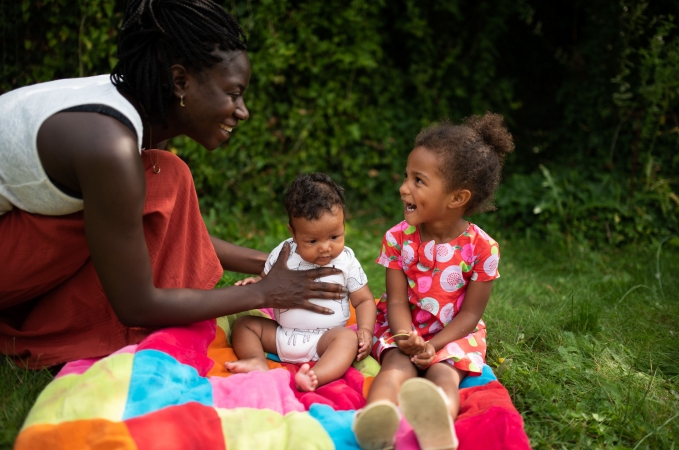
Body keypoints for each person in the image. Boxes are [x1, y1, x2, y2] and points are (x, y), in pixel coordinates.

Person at [0, 0, 347, 369]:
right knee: (167, 175)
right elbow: (136, 304)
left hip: (18, 239)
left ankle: (39, 319)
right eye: (233, 93)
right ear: (181, 82)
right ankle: (45, 334)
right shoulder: (109, 147)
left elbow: (157, 227)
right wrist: (264, 293)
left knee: (164, 175)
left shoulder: (139, 109)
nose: (242, 110)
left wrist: (280, 263)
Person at [352, 113, 514, 450]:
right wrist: (405, 337)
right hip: (404, 326)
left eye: (418, 181)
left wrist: (435, 346)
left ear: (456, 198)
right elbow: (396, 301)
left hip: (454, 333)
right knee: (394, 367)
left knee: (445, 375)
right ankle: (377, 419)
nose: (404, 187)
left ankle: (438, 428)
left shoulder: (482, 249)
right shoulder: (398, 239)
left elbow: (470, 316)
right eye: (406, 176)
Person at [224, 174, 377, 392]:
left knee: (348, 339)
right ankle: (256, 360)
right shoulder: (284, 253)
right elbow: (268, 280)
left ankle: (316, 376)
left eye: (335, 237)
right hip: (280, 335)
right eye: (312, 241)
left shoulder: (346, 261)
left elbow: (363, 300)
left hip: (326, 340)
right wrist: (256, 282)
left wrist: (365, 330)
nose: (325, 248)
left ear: (343, 225)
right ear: (293, 234)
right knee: (244, 325)